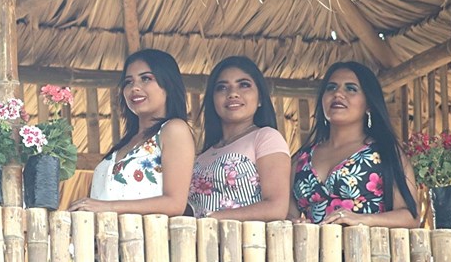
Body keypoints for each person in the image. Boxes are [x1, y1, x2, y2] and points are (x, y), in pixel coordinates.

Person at [289, 62, 418, 227]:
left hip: (368, 243)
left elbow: (411, 216)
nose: (338, 94)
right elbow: (286, 214)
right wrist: (294, 222)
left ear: (369, 104)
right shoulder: (301, 160)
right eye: (331, 88)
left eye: (351, 88)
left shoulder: (385, 153)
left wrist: (363, 220)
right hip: (312, 244)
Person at [68, 49, 194, 215]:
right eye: (128, 82)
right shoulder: (125, 144)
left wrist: (107, 207)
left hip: (148, 231)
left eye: (146, 78)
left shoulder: (174, 130)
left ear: (168, 85)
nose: (134, 87)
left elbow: (175, 204)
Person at [188, 56, 291, 220]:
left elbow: (276, 208)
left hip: (245, 236)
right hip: (199, 235)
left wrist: (213, 219)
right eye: (222, 87)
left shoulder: (266, 138)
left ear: (260, 99)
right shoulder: (203, 155)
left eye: (244, 85)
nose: (233, 94)